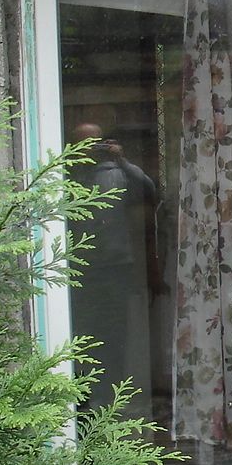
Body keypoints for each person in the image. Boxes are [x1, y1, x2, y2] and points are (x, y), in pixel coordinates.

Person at [68, 121, 162, 410]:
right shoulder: (70, 174)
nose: (93, 150)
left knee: (116, 334)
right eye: (86, 144)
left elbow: (150, 192)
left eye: (98, 143)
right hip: (80, 270)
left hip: (116, 268)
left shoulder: (120, 173)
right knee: (81, 334)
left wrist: (121, 159)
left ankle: (112, 397)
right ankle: (82, 398)